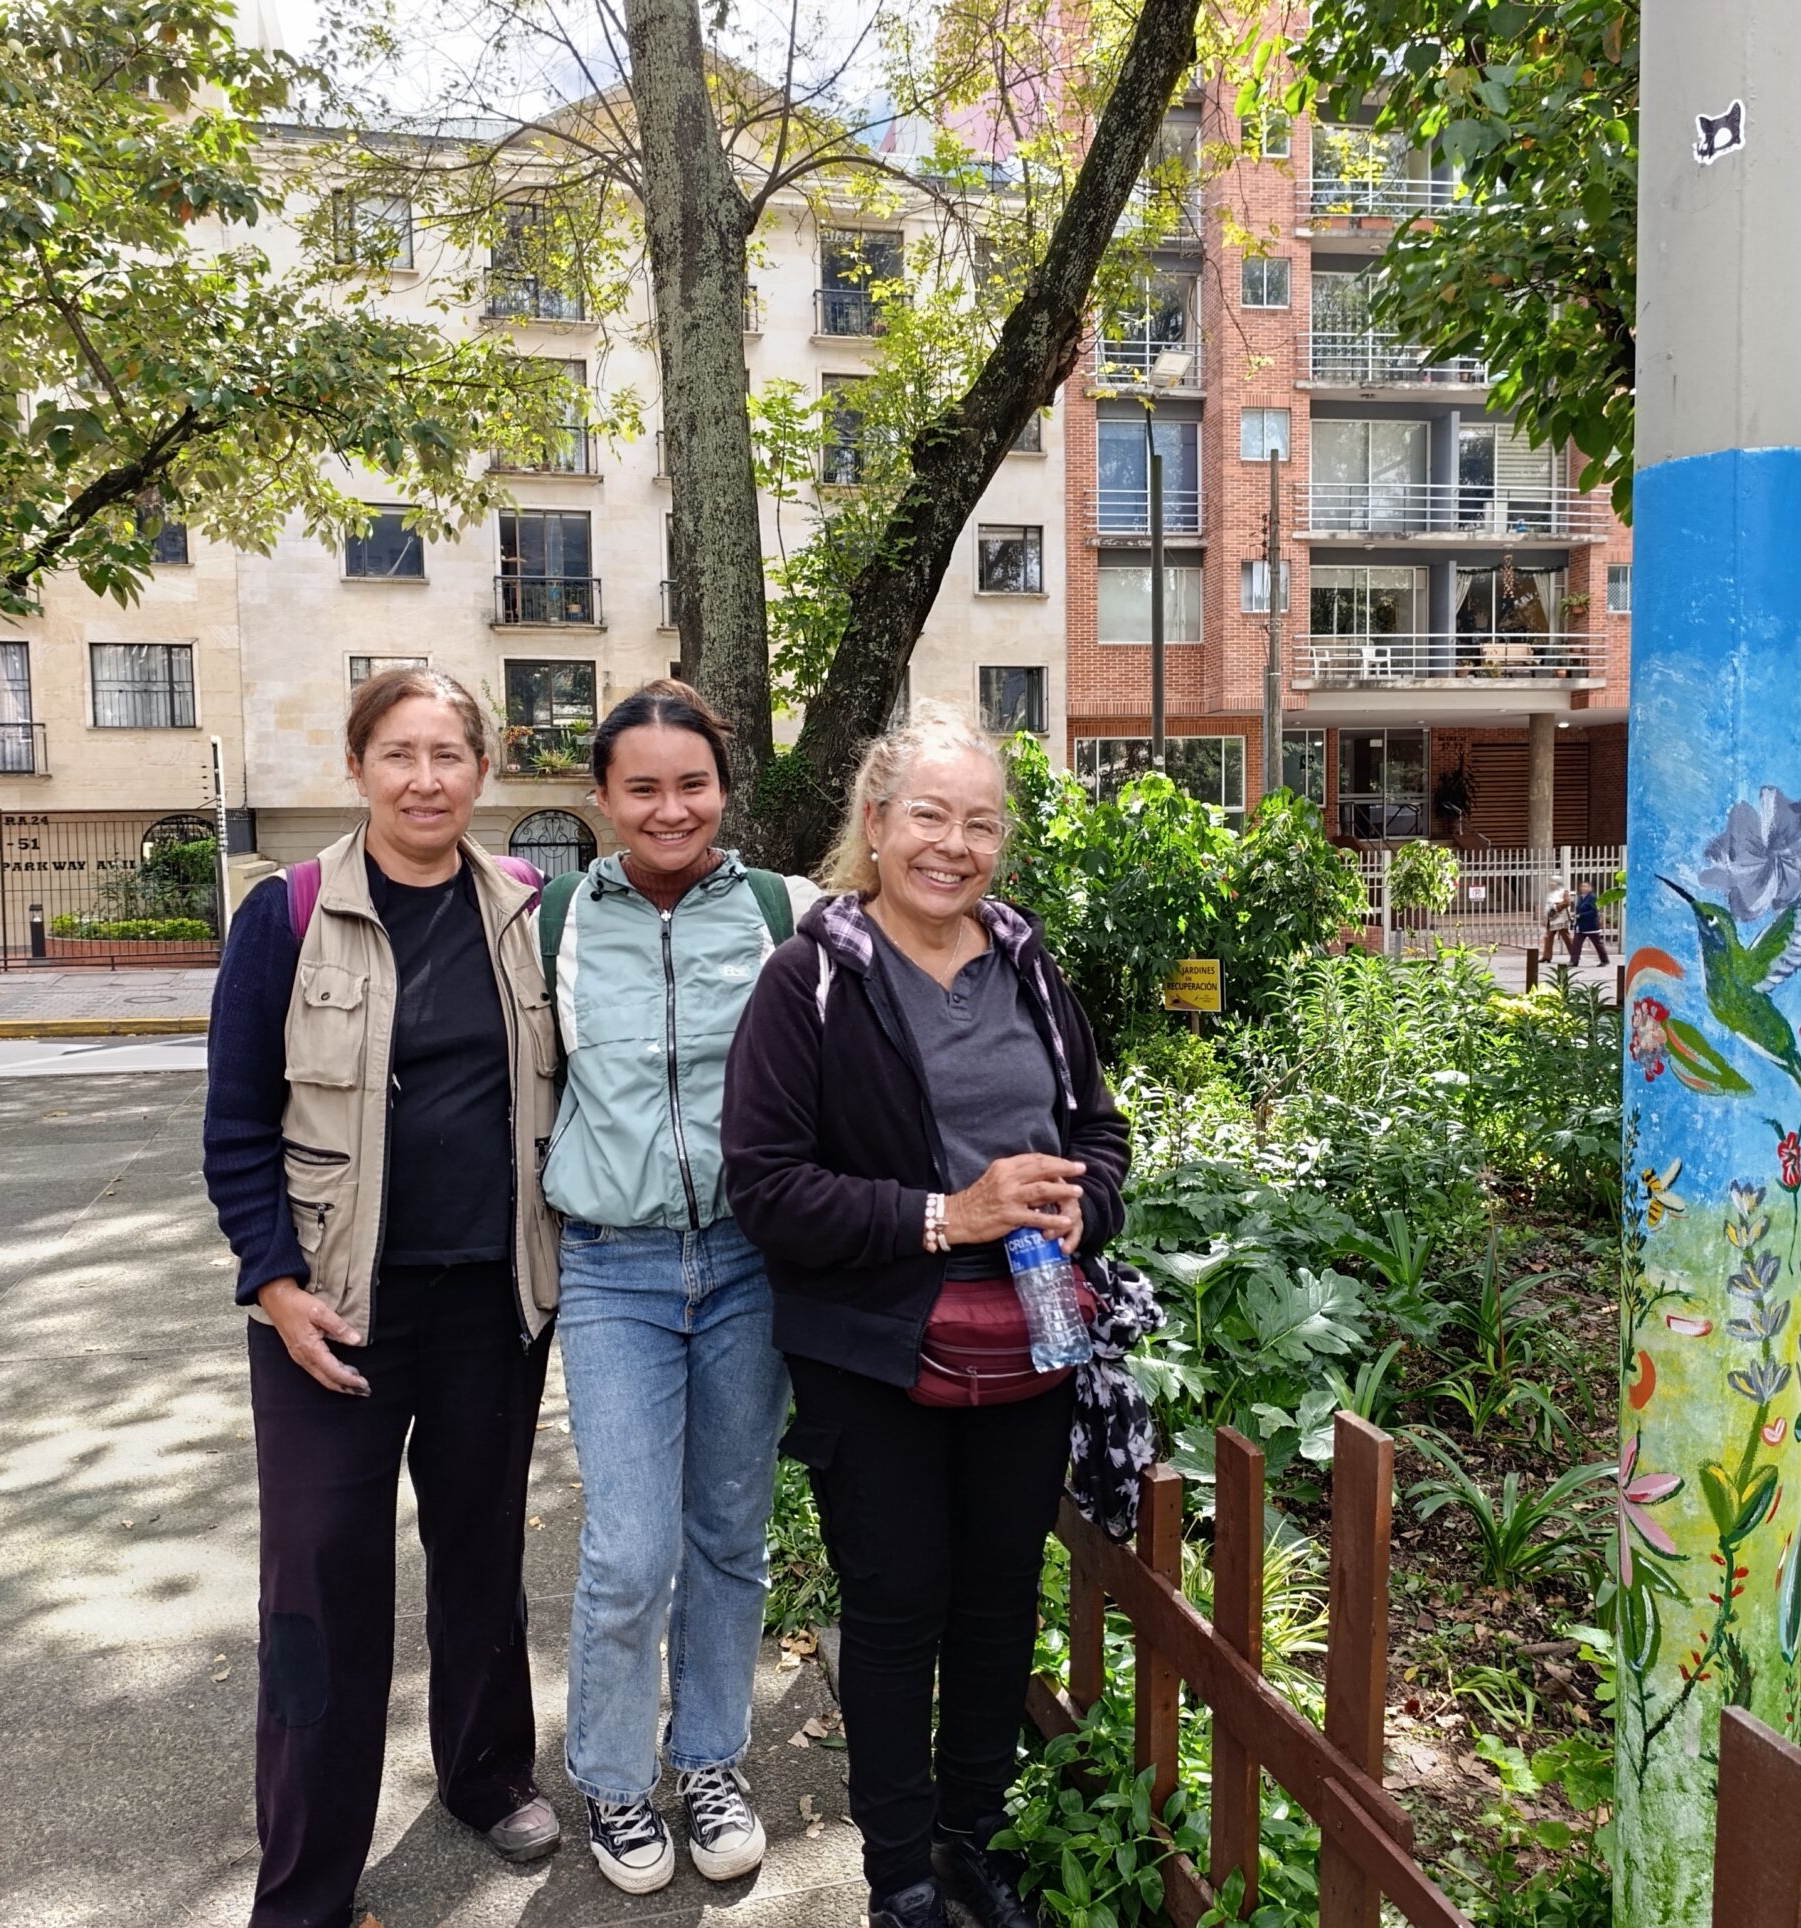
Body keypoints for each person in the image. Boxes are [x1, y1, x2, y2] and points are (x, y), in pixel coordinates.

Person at [722, 702, 1132, 1928]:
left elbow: (1097, 1129)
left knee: (998, 1603)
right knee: (897, 1612)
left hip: (1031, 1338)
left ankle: (972, 1844)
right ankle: (898, 1876)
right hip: (876, 1350)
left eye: (981, 823)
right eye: (929, 816)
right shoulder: (810, 979)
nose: (954, 845)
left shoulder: (1028, 965)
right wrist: (949, 1214)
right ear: (875, 820)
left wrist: (1087, 1204)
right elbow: (767, 1187)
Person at [202, 667, 564, 1928]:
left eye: (447, 754)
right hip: (331, 1313)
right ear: (356, 767)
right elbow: (235, 1123)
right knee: (318, 1582)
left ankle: (486, 1771)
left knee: (481, 1553)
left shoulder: (525, 909)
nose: (424, 779)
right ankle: (306, 1875)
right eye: (398, 754)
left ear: (482, 769)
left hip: (489, 1307)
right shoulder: (287, 913)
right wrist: (275, 1284)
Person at [540, 680, 813, 1896]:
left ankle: (708, 1759)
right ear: (601, 797)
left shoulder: (779, 912)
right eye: (641, 786)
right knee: (630, 1546)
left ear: (723, 788)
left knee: (728, 1531)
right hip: (614, 1263)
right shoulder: (551, 922)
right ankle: (611, 1774)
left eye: (691, 783)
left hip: (750, 1261)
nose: (670, 807)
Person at [1568, 881, 1608, 967]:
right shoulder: (1581, 897)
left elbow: (1594, 912)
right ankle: (1574, 961)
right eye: (1582, 886)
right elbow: (1579, 909)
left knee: (1597, 944)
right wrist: (1575, 915)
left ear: (1590, 888)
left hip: (1591, 925)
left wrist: (1580, 915)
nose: (1584, 888)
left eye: (1586, 886)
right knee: (1576, 944)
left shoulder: (1593, 897)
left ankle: (1605, 960)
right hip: (1581, 926)